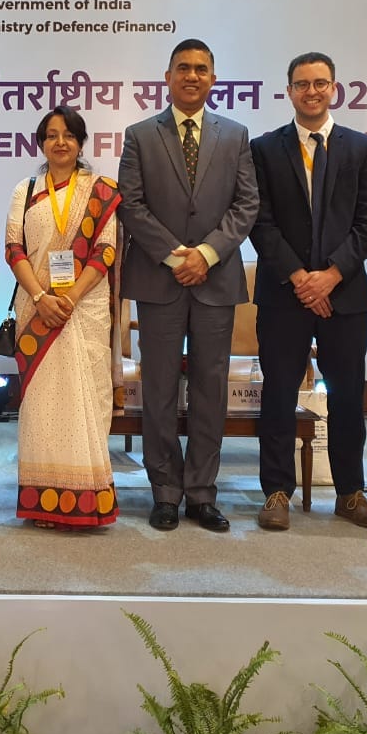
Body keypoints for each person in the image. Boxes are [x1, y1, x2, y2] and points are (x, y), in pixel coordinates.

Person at [118, 38, 259, 533]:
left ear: (213, 78)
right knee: (157, 389)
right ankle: (164, 491)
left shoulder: (235, 135)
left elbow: (246, 204)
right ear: (168, 77)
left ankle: (201, 492)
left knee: (209, 389)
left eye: (201, 69)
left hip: (216, 280)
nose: (192, 76)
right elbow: (131, 204)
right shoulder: (140, 135)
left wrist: (207, 254)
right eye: (183, 68)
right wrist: (178, 255)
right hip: (160, 279)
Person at [249, 52, 367, 532]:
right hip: (283, 294)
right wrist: (299, 277)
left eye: (320, 83)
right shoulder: (264, 148)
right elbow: (260, 222)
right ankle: (276, 493)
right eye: (302, 84)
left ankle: (351, 494)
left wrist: (330, 275)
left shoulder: (361, 148)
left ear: (334, 89)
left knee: (347, 396)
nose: (312, 91)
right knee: (278, 394)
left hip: (343, 295)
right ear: (289, 90)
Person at [5, 107, 121, 531]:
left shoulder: (100, 190)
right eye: (52, 135)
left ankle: (85, 500)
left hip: (84, 309)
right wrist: (41, 298)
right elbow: (13, 249)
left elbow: (105, 251)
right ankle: (44, 503)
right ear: (41, 144)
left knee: (86, 399)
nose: (60, 142)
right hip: (35, 309)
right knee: (41, 405)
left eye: (69, 135)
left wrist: (68, 298)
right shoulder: (26, 190)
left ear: (80, 142)